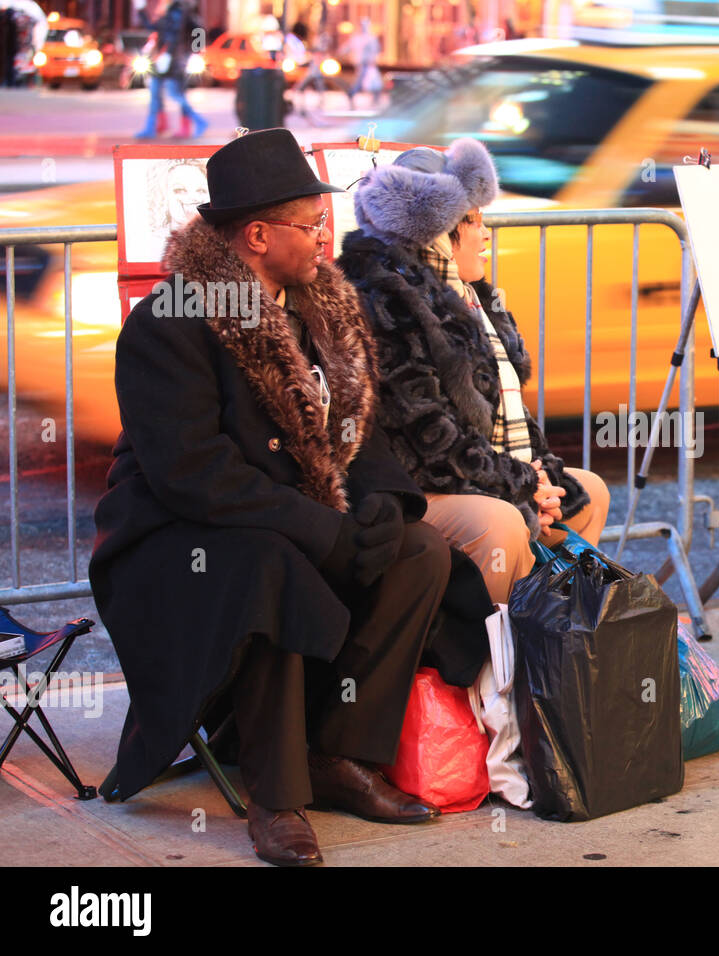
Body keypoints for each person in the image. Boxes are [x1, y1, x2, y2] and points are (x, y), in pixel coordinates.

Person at [91, 129, 453, 866]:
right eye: (312, 225)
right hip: (175, 537)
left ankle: (338, 752)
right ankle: (277, 797)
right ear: (257, 234)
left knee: (418, 552)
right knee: (270, 561)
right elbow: (194, 472)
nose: (328, 239)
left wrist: (383, 504)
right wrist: (323, 530)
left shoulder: (322, 310)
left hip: (286, 517)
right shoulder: (170, 321)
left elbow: (359, 423)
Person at [336, 140, 610, 606]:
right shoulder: (384, 301)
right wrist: (523, 487)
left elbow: (511, 411)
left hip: (482, 475)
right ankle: (492, 664)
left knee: (589, 492)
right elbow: (430, 442)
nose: (487, 235)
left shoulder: (470, 297)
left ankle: (551, 643)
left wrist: (543, 478)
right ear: (440, 232)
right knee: (502, 523)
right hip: (414, 492)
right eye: (475, 221)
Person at [135, 0, 207, 139]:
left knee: (174, 94)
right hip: (164, 59)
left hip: (173, 61)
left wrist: (193, 52)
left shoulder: (178, 9)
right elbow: (155, 28)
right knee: (157, 94)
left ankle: (198, 122)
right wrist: (141, 10)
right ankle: (154, 127)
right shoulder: (169, 9)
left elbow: (178, 33)